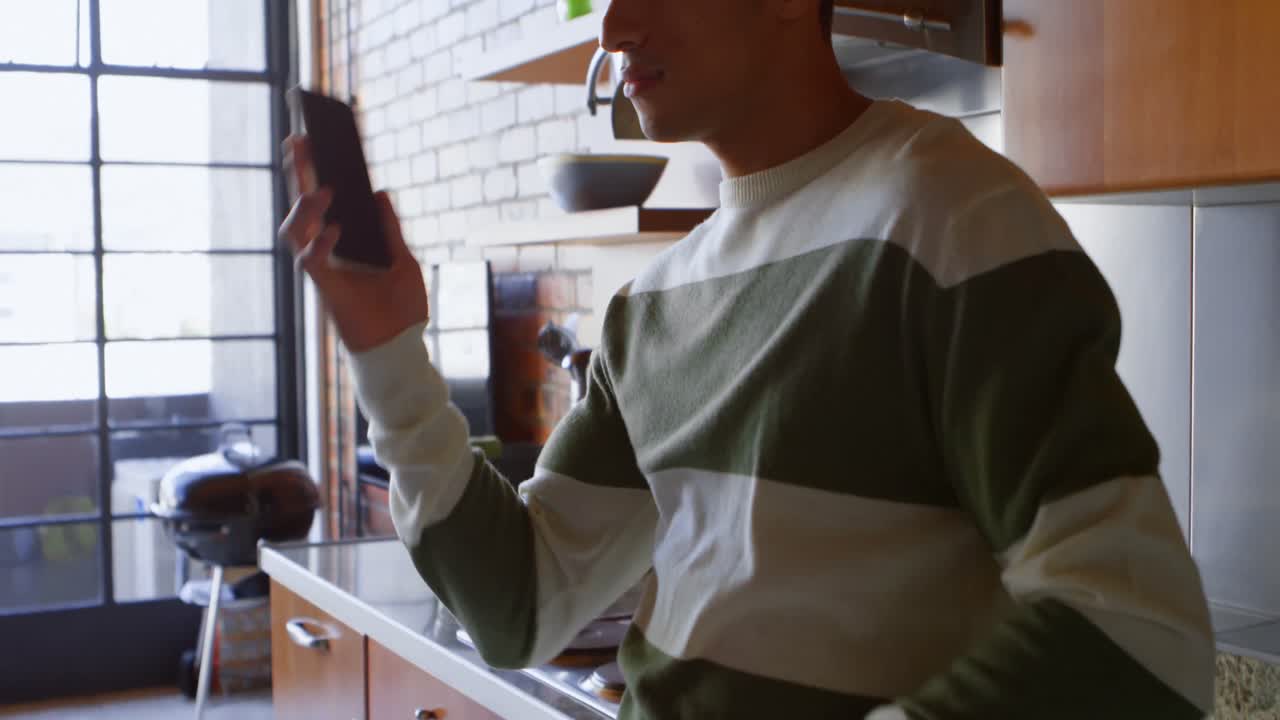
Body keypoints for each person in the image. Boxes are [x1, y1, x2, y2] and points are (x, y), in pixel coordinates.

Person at [280, 0, 1215, 717]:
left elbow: (1136, 632)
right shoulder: (653, 306)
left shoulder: (948, 214)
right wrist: (385, 345)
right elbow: (519, 605)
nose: (615, 24)